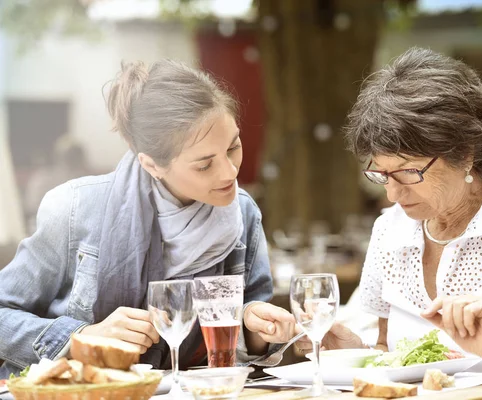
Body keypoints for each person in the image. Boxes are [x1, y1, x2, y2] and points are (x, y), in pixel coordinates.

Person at [295, 48, 482, 382]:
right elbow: (385, 349)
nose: (392, 194)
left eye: (409, 172)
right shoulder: (389, 228)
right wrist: (353, 350)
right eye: (381, 173)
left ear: (466, 154)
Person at [0, 60, 295, 378]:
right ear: (152, 165)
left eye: (233, 147)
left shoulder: (243, 212)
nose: (229, 172)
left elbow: (249, 347)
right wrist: (82, 337)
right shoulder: (75, 209)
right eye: (204, 165)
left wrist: (257, 326)